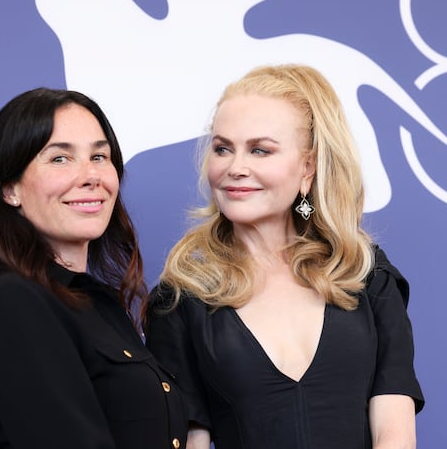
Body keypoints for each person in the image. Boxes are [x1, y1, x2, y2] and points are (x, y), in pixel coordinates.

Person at [145, 64, 424, 449]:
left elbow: (395, 432)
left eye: (260, 150)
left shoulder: (365, 274)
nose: (235, 168)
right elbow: (192, 439)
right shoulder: (181, 298)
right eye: (223, 148)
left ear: (307, 168)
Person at [0, 88, 187, 449]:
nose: (90, 175)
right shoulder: (15, 303)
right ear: (10, 189)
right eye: (59, 159)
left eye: (99, 156)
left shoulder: (98, 303)